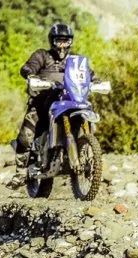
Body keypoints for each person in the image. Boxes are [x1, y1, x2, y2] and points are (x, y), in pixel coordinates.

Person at [8, 22, 90, 188]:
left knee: (86, 112)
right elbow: (29, 67)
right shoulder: (42, 55)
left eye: (65, 41)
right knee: (27, 133)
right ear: (52, 41)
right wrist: (30, 73)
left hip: (69, 100)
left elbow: (88, 74)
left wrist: (96, 81)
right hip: (43, 101)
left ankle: (84, 153)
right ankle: (20, 172)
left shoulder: (75, 60)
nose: (62, 45)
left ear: (70, 42)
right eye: (59, 41)